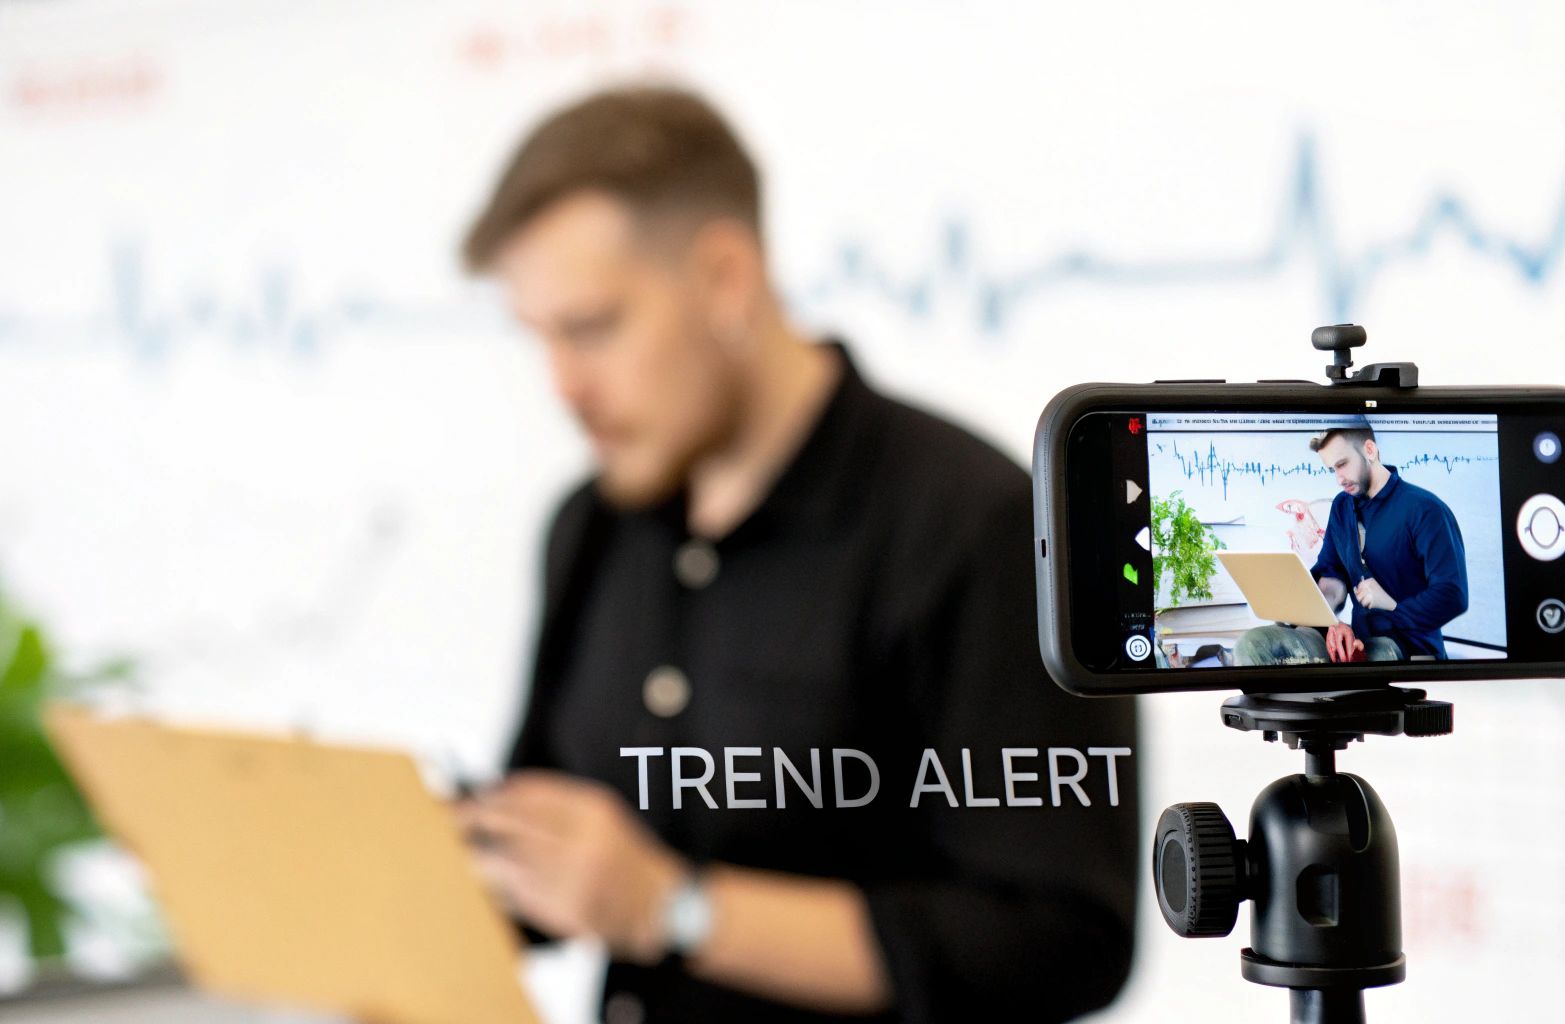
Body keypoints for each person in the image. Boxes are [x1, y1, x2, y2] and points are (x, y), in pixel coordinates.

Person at [449, 86, 1140, 1024]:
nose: (564, 388)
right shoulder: (592, 524)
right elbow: (543, 853)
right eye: (541, 339)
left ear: (726, 278)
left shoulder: (975, 524)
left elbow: (1062, 942)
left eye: (593, 328)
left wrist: (673, 910)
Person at [1236, 425, 1468, 665]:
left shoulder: (1425, 510)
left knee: (1369, 660)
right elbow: (1331, 572)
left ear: (1369, 450)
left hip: (1405, 646)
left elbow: (1452, 596)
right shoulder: (1342, 506)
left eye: (1342, 464)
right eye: (1331, 469)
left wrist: (1392, 606)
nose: (1339, 479)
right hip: (1355, 641)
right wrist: (1326, 619)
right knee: (1253, 645)